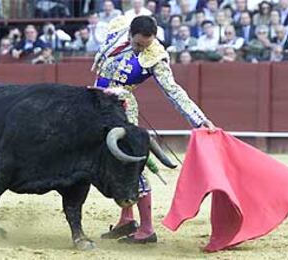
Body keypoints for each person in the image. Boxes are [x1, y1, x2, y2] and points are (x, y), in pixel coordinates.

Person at [90, 15, 216, 244]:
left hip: (122, 109)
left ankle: (147, 228)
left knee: (133, 164)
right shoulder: (118, 26)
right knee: (113, 162)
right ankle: (127, 219)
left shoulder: (155, 57)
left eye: (145, 45)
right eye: (138, 44)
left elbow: (174, 92)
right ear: (130, 33)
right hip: (96, 103)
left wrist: (199, 119)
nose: (141, 50)